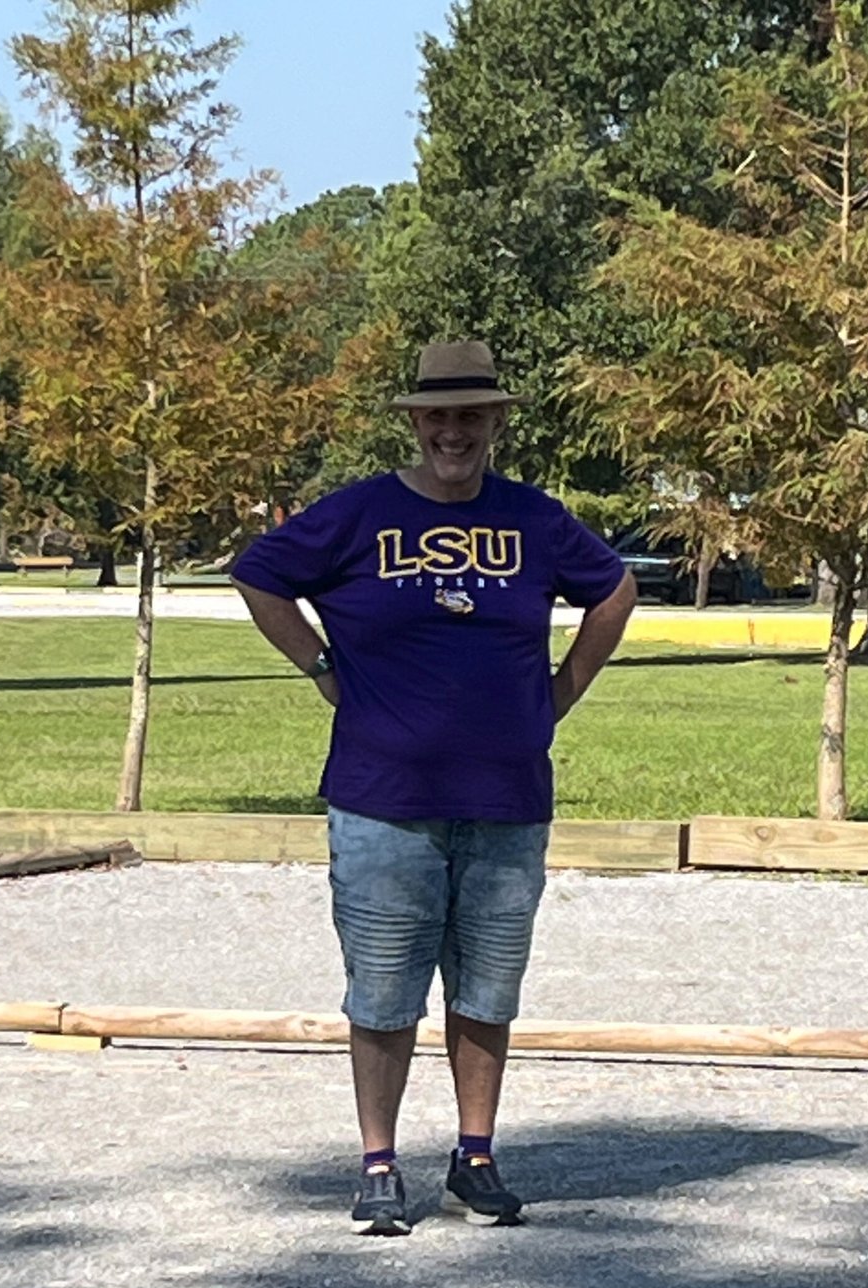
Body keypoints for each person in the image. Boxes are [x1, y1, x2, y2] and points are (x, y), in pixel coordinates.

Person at [230, 340, 637, 1236]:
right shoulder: (359, 513)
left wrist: (562, 690)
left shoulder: (532, 518)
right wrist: (320, 668)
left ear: (495, 423)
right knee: (382, 994)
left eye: (471, 416)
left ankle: (474, 1159)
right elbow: (259, 575)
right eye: (439, 416)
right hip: (383, 799)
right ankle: (379, 1165)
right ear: (415, 424)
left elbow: (613, 590)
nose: (454, 432)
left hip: (506, 797)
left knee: (487, 991)